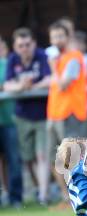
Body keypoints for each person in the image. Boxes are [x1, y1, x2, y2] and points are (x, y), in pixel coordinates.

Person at [4, 28, 51, 205]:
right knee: (28, 158)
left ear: (33, 44)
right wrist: (20, 87)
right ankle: (40, 188)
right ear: (15, 47)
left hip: (42, 114)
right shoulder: (12, 60)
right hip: (22, 116)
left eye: (27, 44)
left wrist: (33, 85)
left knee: (42, 155)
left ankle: (43, 196)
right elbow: (7, 85)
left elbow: (49, 79)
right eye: (20, 45)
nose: (25, 48)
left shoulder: (41, 55)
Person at [46, 21, 87, 210]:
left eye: (60, 36)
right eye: (54, 37)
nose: (57, 40)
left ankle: (80, 197)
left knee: (72, 159)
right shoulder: (61, 59)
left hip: (70, 113)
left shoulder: (73, 58)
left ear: (67, 37)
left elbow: (63, 84)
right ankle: (67, 198)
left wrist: (53, 67)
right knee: (53, 158)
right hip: (55, 114)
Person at [0, 36, 23, 207]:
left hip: (9, 120)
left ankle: (16, 198)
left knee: (14, 159)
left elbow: (13, 83)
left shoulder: (8, 64)